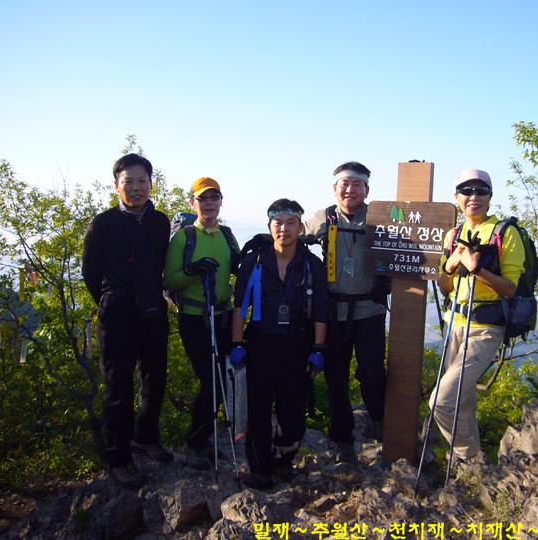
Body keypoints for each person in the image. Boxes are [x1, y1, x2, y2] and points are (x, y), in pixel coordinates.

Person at [82, 153, 173, 490]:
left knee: (154, 377)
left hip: (152, 308)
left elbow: (166, 263)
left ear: (151, 183)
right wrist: (111, 301)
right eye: (129, 182)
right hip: (117, 310)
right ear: (117, 185)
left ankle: (146, 438)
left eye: (142, 181)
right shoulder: (102, 223)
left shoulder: (161, 222)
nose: (136, 188)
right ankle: (118, 458)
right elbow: (90, 274)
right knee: (118, 386)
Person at [232, 199, 328, 489]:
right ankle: (260, 469)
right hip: (260, 343)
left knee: (293, 412)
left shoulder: (311, 264)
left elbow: (322, 307)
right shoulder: (254, 261)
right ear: (269, 226)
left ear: (300, 227)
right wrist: (237, 344)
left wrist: (319, 349)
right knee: (258, 411)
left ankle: (283, 461)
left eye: (290, 223)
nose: (284, 228)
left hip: (297, 345)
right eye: (278, 222)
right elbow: (240, 305)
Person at [432, 169, 525, 463]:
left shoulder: (505, 233)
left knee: (441, 401)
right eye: (467, 190)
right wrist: (450, 267)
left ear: (490, 196)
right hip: (453, 325)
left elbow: (510, 289)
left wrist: (477, 269)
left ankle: (469, 458)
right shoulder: (453, 235)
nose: (474, 197)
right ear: (456, 196)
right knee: (462, 402)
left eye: (481, 191)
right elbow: (446, 288)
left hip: (485, 328)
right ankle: (472, 466)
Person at [305, 162, 388, 463]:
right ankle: (342, 439)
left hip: (370, 309)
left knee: (372, 374)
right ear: (335, 187)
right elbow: (292, 239)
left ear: (367, 189)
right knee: (336, 379)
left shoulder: (380, 218)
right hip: (332, 314)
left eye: (357, 184)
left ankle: (381, 423)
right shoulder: (323, 218)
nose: (350, 189)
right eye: (344, 183)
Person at [164, 177, 239, 470]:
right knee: (212, 381)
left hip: (223, 317)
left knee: (222, 380)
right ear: (193, 203)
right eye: (202, 199)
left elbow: (237, 268)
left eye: (214, 198)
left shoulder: (227, 235)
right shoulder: (184, 238)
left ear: (221, 201)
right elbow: (169, 280)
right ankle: (195, 444)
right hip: (194, 318)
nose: (208, 204)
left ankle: (202, 437)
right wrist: (193, 270)